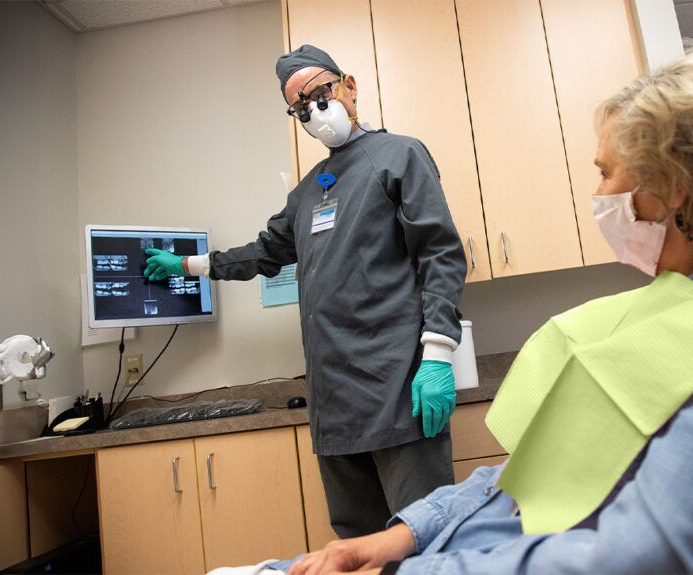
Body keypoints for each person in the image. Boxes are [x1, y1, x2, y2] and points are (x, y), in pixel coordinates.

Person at [223, 47, 693, 575]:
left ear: (673, 187)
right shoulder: (685, 301)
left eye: (607, 172)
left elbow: (640, 557)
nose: (597, 193)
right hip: (452, 544)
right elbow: (531, 476)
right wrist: (398, 537)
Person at [143, 44, 469, 538]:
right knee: (357, 548)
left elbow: (440, 254)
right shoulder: (309, 191)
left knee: (424, 540)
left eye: (321, 94)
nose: (315, 111)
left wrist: (439, 353)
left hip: (398, 388)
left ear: (349, 86)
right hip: (334, 402)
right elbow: (264, 251)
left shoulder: (400, 155)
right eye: (300, 107)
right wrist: (188, 263)